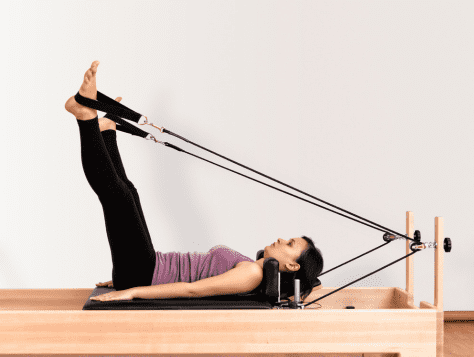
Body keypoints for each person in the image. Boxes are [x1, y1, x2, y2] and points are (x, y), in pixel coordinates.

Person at [64, 61, 323, 302]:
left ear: (292, 265)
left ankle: (85, 116)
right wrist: (125, 276)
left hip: (145, 272)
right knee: (127, 193)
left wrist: (132, 291)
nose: (281, 239)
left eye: (290, 245)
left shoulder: (252, 274)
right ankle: (106, 130)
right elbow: (316, 283)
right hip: (146, 266)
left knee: (118, 197)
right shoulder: (250, 267)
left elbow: (193, 289)